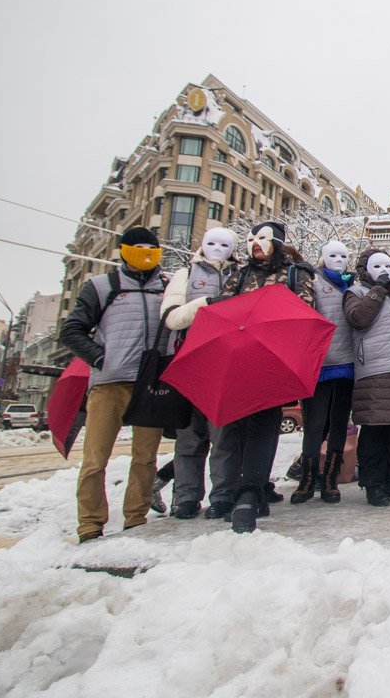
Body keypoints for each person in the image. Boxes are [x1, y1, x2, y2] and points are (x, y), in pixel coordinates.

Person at [61, 226, 168, 544]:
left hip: (149, 385)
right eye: (138, 247)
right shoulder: (102, 286)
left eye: (151, 247)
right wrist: (100, 359)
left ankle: (136, 519)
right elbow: (72, 330)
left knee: (145, 457)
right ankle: (90, 525)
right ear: (123, 251)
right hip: (110, 384)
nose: (146, 252)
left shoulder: (168, 287)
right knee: (96, 459)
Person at [216, 221, 316, 532]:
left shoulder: (296, 274)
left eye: (263, 238)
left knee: (262, 424)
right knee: (235, 429)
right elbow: (222, 307)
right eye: (251, 239)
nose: (255, 243)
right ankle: (236, 491)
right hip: (237, 358)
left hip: (272, 360)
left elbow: (305, 312)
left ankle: (251, 492)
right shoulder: (239, 274)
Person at [159, 226, 242, 520]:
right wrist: (204, 304)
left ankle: (222, 496)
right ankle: (186, 497)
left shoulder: (241, 276)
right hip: (190, 362)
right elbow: (172, 318)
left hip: (226, 365)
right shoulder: (186, 275)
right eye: (212, 242)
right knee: (190, 438)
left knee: (224, 438)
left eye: (225, 244)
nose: (218, 248)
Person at [344, 248, 390, 507]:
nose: (383, 271)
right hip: (373, 372)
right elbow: (358, 318)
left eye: (387, 265)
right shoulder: (357, 292)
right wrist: (379, 290)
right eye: (377, 266)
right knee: (374, 432)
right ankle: (373, 484)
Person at [292, 240, 356, 505]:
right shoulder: (313, 282)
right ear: (322, 257)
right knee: (314, 424)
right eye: (333, 255)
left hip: (347, 364)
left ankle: (330, 478)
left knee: (340, 423)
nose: (338, 259)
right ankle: (307, 478)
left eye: (343, 255)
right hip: (319, 365)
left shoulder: (353, 285)